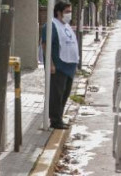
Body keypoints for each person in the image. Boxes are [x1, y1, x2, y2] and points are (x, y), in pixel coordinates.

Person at [41, 1, 79, 130]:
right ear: (59, 12)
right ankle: (55, 120)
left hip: (69, 67)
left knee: (65, 94)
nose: (69, 15)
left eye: (70, 12)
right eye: (67, 12)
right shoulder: (51, 25)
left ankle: (59, 118)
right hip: (58, 67)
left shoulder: (66, 26)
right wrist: (50, 64)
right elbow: (45, 45)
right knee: (56, 95)